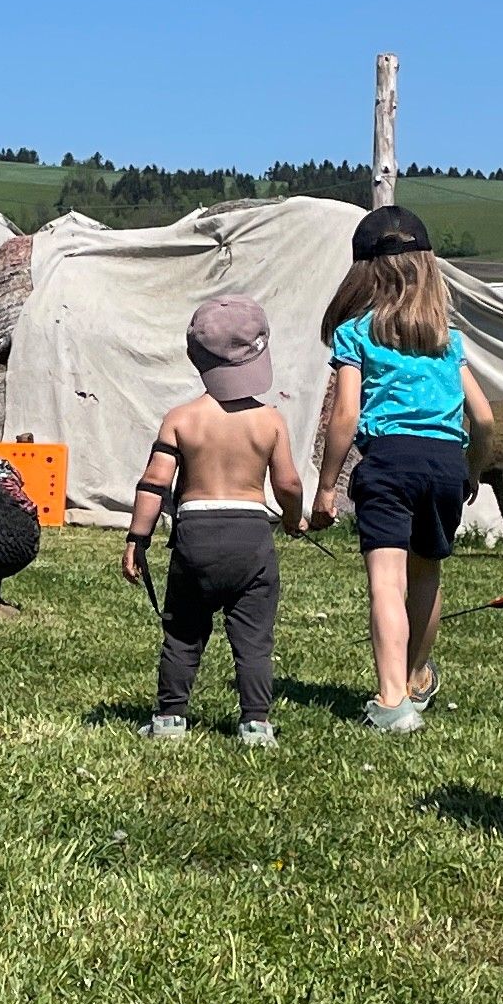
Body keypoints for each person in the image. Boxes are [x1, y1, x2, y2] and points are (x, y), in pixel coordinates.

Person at [310, 205, 491, 733]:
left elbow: (345, 415)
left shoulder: (356, 333)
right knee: (427, 573)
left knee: (386, 584)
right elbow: (482, 417)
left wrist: (327, 487)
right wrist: (472, 471)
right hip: (444, 462)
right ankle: (413, 675)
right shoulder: (447, 340)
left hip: (388, 461)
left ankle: (392, 701)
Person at [123, 294, 310, 743]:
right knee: (253, 638)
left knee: (183, 631)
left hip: (196, 537)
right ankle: (255, 722)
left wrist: (137, 540)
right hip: (251, 537)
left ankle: (169, 719)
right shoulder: (270, 421)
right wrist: (292, 518)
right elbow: (287, 484)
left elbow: (154, 483)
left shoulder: (182, 419)